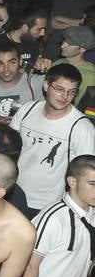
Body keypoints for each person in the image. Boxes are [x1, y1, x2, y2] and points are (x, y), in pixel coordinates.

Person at [11, 63, 95, 212]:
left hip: (48, 204)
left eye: (71, 92)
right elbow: (9, 148)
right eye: (60, 89)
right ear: (46, 86)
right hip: (13, 193)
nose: (65, 96)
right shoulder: (27, 109)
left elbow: (87, 173)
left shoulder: (81, 127)